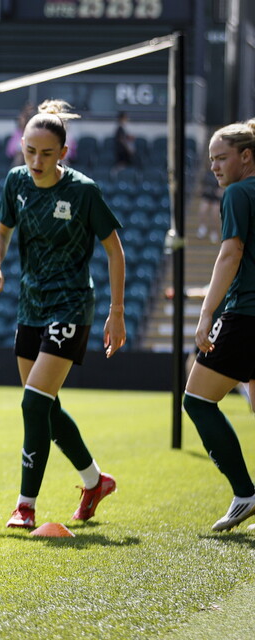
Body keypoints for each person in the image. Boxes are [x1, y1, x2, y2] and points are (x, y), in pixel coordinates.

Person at [0, 100, 127, 530]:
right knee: (45, 406)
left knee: (33, 402)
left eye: (46, 153)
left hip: (72, 306)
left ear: (64, 151)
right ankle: (95, 481)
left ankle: (25, 505)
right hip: (31, 306)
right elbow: (1, 233)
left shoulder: (83, 191)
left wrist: (116, 313)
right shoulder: (15, 183)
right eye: (29, 151)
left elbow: (115, 251)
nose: (36, 161)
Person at [182, 118, 255, 532]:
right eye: (210, 160)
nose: (214, 167)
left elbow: (231, 253)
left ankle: (245, 493)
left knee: (196, 401)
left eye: (221, 157)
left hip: (245, 314)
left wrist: (207, 312)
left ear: (246, 156)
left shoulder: (239, 192)